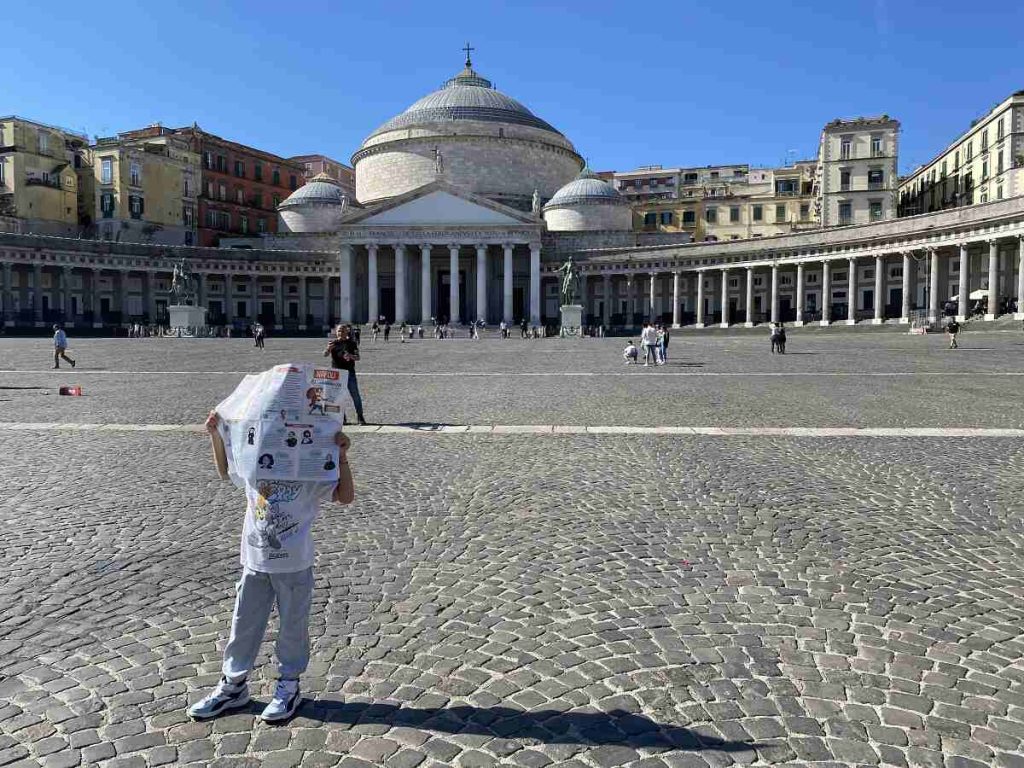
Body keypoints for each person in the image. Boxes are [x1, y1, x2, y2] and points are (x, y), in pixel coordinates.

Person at [187, 411, 355, 723]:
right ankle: (233, 685)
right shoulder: (255, 464)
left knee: (292, 627)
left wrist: (341, 456)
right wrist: (215, 435)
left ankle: (289, 685)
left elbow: (345, 496)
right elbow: (225, 471)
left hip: (294, 562)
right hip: (254, 559)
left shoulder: (308, 470)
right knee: (243, 624)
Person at [325, 324, 367, 425]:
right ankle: (342, 417)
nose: (341, 333)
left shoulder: (352, 343)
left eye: (343, 331)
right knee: (339, 397)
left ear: (347, 332)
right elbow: (325, 354)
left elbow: (358, 357)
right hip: (336, 374)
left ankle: (360, 416)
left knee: (355, 395)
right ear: (336, 332)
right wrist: (328, 349)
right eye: (339, 331)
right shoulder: (333, 343)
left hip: (349, 373)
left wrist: (351, 356)